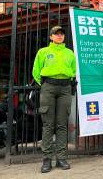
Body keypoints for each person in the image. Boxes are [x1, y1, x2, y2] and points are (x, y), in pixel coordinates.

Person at [32, 25, 76, 173]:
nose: (59, 36)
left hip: (65, 88)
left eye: (61, 34)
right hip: (48, 87)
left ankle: (61, 159)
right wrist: (44, 85)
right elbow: (36, 72)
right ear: (51, 36)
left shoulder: (69, 53)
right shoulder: (43, 52)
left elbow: (74, 71)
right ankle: (46, 160)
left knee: (62, 124)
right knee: (48, 125)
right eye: (56, 34)